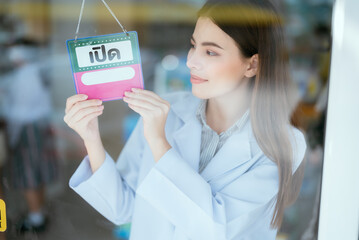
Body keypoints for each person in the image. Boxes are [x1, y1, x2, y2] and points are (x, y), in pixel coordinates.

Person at [64, 0, 307, 239]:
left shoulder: (283, 144)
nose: (191, 61)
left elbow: (214, 229)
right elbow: (123, 209)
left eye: (210, 51)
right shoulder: (165, 110)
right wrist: (91, 138)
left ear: (252, 64)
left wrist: (160, 143)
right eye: (194, 45)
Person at [0, 39, 57, 233]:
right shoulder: (35, 71)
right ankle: (38, 213)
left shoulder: (27, 75)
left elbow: (19, 110)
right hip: (38, 127)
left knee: (29, 174)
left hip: (28, 129)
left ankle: (36, 218)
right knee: (36, 171)